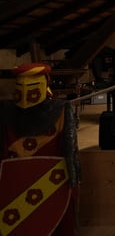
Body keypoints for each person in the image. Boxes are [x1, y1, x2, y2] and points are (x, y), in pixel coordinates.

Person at [1, 63, 80, 236]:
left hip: (45, 187)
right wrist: (74, 181)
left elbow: (69, 150)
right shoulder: (60, 109)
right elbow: (71, 152)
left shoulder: (60, 110)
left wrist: (73, 179)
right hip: (39, 186)